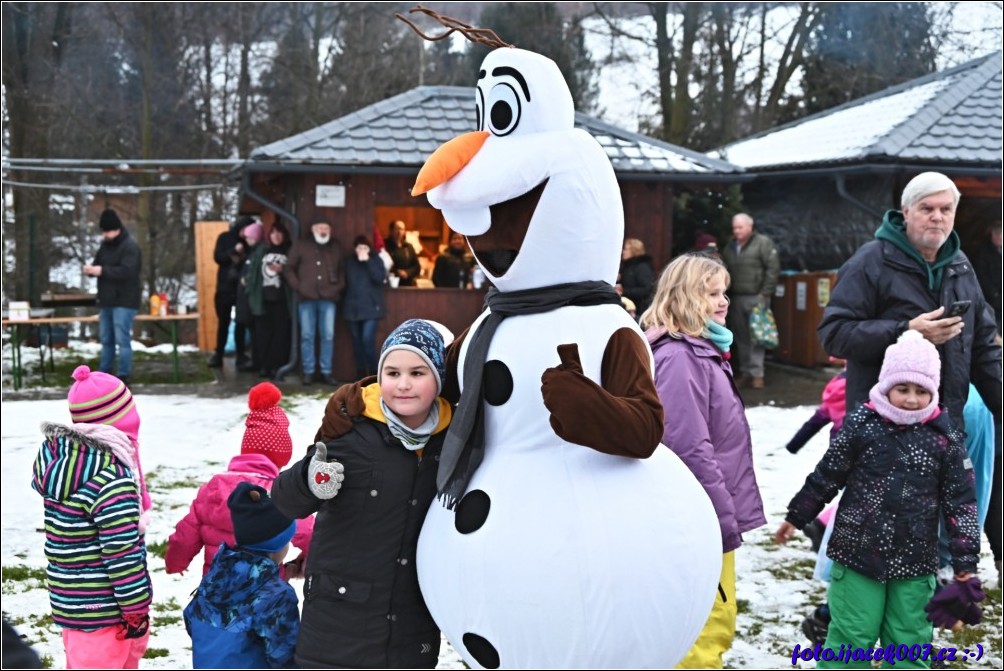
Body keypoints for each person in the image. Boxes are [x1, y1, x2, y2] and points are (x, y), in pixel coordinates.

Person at [775, 330, 981, 668]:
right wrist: (797, 515)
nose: (912, 400)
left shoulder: (945, 440)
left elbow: (961, 505)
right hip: (857, 555)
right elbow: (827, 474)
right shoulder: (862, 425)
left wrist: (965, 566)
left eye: (921, 391)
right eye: (903, 389)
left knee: (909, 641)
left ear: (935, 391)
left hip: (914, 562)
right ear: (886, 386)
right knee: (851, 638)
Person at [271, 319, 452, 668]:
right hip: (338, 625)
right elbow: (283, 500)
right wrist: (310, 481)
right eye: (392, 372)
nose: (403, 385)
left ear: (438, 378)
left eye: (417, 373)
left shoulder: (451, 441)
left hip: (410, 623)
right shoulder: (351, 431)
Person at [639, 254, 766, 668]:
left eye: (724, 291)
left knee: (714, 620)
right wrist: (720, 518)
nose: (723, 301)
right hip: (701, 517)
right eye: (711, 293)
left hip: (709, 510)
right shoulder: (682, 357)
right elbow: (688, 446)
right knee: (706, 625)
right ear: (684, 297)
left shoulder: (703, 350)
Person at [817, 171, 1002, 436]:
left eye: (945, 209)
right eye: (927, 208)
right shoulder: (870, 262)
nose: (937, 217)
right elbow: (834, 335)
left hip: (945, 432)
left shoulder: (960, 265)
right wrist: (905, 331)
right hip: (882, 435)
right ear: (906, 212)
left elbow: (984, 348)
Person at [32, 365, 153, 669]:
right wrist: (136, 608)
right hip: (109, 611)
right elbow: (121, 553)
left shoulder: (66, 464)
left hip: (73, 606)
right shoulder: (111, 479)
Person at [165, 381, 313, 577]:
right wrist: (308, 559)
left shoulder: (214, 487)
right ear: (281, 459)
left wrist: (175, 563)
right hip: (261, 594)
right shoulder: (278, 492)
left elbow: (185, 536)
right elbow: (310, 534)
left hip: (216, 590)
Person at [183, 481, 300, 669]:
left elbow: (192, 616)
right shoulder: (278, 596)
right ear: (277, 545)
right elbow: (285, 656)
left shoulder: (217, 576)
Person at [720, 212, 780, 389]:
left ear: (749, 226)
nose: (736, 231)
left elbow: (773, 268)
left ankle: (757, 374)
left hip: (757, 296)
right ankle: (746, 372)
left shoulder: (763, 243)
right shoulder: (730, 247)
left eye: (740, 227)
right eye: (734, 228)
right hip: (736, 297)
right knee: (741, 337)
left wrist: (765, 293)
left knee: (757, 337)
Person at [83, 208, 141, 387]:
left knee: (122, 339)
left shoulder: (130, 247)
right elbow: (99, 265)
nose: (105, 234)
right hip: (106, 300)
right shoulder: (105, 246)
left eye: (107, 231)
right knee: (106, 339)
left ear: (117, 229)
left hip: (124, 301)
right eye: (103, 231)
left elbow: (128, 271)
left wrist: (102, 271)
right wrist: (92, 271)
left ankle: (124, 375)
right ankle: (104, 374)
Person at [284, 218, 345, 386]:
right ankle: (308, 372)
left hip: (329, 298)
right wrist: (299, 286)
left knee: (328, 335)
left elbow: (342, 272)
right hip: (306, 297)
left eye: (326, 227)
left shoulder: (336, 246)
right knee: (307, 336)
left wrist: (337, 288)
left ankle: (326, 372)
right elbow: (288, 268)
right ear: (313, 229)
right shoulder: (301, 245)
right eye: (320, 227)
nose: (323, 230)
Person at [245, 221, 292, 379]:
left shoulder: (289, 250)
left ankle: (278, 367)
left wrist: (283, 270)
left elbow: (296, 274)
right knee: (263, 335)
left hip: (282, 300)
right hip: (262, 300)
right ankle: (264, 366)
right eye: (273, 233)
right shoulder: (262, 251)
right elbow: (252, 273)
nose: (276, 236)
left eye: (279, 232)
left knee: (281, 335)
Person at [209, 215, 254, 370]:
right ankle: (218, 354)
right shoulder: (225, 238)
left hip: (241, 289)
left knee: (241, 323)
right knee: (223, 323)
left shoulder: (250, 242)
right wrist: (233, 251)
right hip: (225, 288)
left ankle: (241, 355)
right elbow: (218, 257)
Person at [343, 235, 387, 379]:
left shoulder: (375, 260)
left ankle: (374, 373)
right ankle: (361, 373)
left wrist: (367, 261)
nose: (362, 250)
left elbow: (380, 278)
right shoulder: (350, 262)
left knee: (367, 340)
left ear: (369, 249)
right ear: (355, 249)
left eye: (365, 248)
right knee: (356, 342)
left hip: (371, 307)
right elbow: (345, 282)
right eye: (359, 248)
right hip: (352, 308)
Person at [971, 220, 1002, 334]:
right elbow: (981, 276)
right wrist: (994, 294)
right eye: (1000, 234)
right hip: (992, 298)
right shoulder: (983, 253)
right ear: (994, 235)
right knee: (993, 326)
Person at [617, 237, 656, 317]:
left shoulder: (642, 267)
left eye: (625, 249)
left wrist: (624, 291)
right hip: (629, 308)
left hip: (639, 310)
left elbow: (646, 289)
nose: (623, 252)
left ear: (634, 251)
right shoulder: (627, 266)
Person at [384, 219, 421, 287]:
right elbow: (383, 265)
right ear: (391, 230)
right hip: (390, 283)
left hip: (407, 283)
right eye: (397, 229)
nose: (399, 232)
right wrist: (396, 272)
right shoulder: (385, 246)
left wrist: (408, 273)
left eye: (402, 229)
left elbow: (417, 266)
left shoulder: (408, 246)